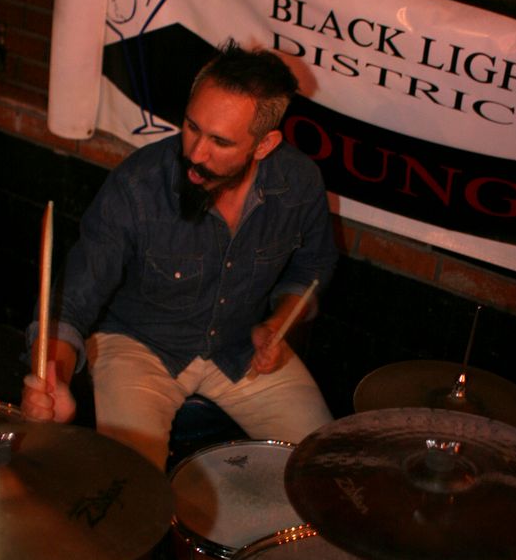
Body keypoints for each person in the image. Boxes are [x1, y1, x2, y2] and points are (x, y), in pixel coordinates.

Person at [22, 40, 338, 471]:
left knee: (326, 467)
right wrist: (53, 376)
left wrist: (278, 323)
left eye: (220, 141)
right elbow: (73, 300)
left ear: (264, 145)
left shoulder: (298, 183)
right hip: (138, 345)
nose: (195, 153)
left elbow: (312, 267)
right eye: (191, 127)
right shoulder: (138, 185)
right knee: (130, 487)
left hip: (238, 348)